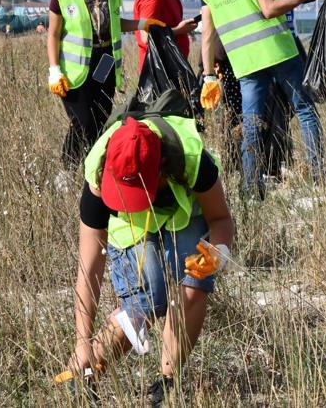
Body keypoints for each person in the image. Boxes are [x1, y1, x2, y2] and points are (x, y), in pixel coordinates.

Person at [56, 107, 234, 407]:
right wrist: (82, 340)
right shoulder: (99, 177)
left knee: (193, 287)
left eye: (136, 191)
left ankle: (166, 383)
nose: (129, 199)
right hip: (130, 228)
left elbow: (221, 220)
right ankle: (83, 372)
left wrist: (217, 256)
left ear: (162, 171)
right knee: (144, 303)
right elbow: (89, 267)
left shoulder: (191, 160)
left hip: (184, 216)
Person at [199, 0, 326, 198]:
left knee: (251, 125)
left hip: (244, 61)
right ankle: (318, 175)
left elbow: (207, 34)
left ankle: (250, 188)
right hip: (278, 51)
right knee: (305, 109)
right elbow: (269, 9)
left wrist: (209, 75)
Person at [47, 0, 164, 174]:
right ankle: (67, 171)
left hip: (106, 62)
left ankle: (92, 170)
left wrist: (142, 24)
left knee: (100, 119)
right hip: (75, 69)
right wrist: (54, 70)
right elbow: (53, 33)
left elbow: (113, 24)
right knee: (82, 122)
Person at [250, 0, 301, 184]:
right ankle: (276, 163)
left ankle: (256, 168)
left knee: (258, 115)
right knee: (286, 110)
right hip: (282, 47)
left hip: (255, 52)